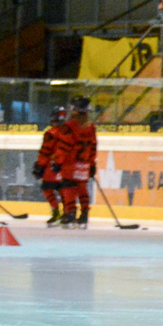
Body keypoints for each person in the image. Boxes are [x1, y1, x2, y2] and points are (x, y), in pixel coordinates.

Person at [57, 95, 98, 228]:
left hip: (70, 163)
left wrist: (58, 161)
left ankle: (71, 213)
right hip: (84, 163)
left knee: (68, 187)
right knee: (82, 187)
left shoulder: (70, 126)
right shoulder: (90, 127)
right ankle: (84, 213)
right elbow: (93, 147)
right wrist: (92, 164)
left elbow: (64, 145)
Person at [35, 107, 70, 225]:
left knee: (47, 187)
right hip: (67, 166)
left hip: (53, 166)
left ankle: (56, 211)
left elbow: (45, 151)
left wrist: (39, 166)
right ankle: (67, 212)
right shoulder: (69, 132)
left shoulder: (51, 133)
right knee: (64, 189)